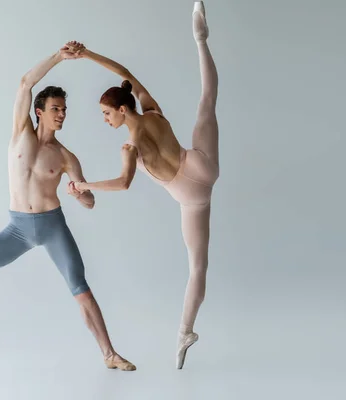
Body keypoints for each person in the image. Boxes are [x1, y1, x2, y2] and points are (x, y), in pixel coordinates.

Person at [0, 44, 136, 379]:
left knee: (79, 286)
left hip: (53, 226)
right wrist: (58, 57)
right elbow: (25, 83)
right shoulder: (20, 135)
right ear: (39, 111)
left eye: (64, 109)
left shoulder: (66, 157)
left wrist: (80, 194)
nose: (62, 114)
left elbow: (89, 201)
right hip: (17, 229)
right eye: (56, 108)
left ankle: (109, 354)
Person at [67, 1, 218, 369]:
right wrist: (87, 55)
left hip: (188, 194)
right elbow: (126, 73)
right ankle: (200, 41)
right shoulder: (150, 109)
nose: (104, 120)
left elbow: (123, 184)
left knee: (197, 267)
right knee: (206, 101)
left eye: (106, 114)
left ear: (121, 110)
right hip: (200, 162)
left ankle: (184, 331)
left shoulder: (132, 145)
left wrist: (84, 184)